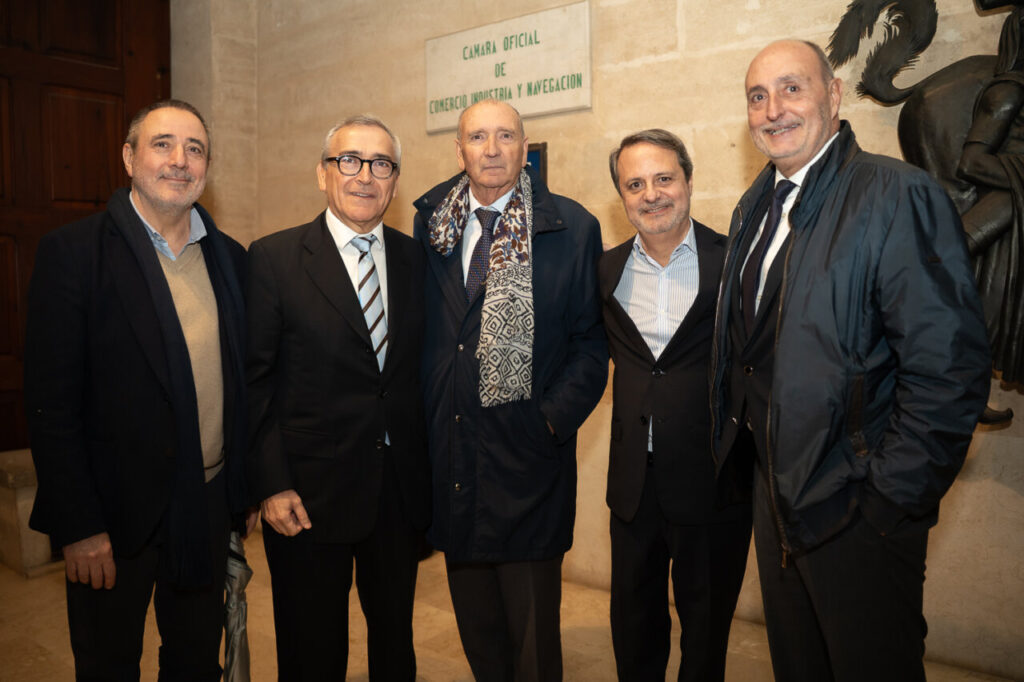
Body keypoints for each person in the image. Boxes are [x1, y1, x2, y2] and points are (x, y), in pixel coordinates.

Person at [709, 40, 991, 681]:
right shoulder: (755, 207)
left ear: (833, 96)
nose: (773, 109)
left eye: (791, 88)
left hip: (856, 510)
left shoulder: (897, 196)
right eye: (758, 96)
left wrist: (886, 503)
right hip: (778, 501)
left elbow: (950, 372)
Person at [25, 99, 252, 681]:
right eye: (162, 145)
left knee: (195, 660)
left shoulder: (229, 258)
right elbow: (52, 405)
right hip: (112, 520)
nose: (180, 161)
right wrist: (78, 525)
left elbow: (243, 379)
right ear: (128, 157)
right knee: (107, 665)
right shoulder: (74, 254)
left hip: (204, 505)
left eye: (195, 149)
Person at [413, 99, 607, 681]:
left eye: (505, 136)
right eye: (478, 137)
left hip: (528, 466)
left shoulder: (572, 229)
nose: (491, 149)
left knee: (533, 647)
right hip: (453, 458)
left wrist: (546, 423)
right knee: (480, 636)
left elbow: (591, 348)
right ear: (459, 149)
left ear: (525, 147)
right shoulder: (432, 225)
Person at [247, 115, 430, 681]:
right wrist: (272, 484)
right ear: (323, 174)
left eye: (381, 164)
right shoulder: (274, 258)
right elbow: (255, 383)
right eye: (349, 160)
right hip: (307, 497)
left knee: (395, 642)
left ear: (395, 181)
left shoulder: (416, 259)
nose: (364, 176)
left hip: (396, 493)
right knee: (312, 649)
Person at [600, 129, 750, 682]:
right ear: (621, 195)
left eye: (664, 178)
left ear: (688, 180)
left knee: (706, 633)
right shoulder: (606, 270)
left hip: (714, 481)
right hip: (633, 486)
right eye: (634, 183)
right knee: (633, 629)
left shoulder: (734, 261)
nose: (651, 194)